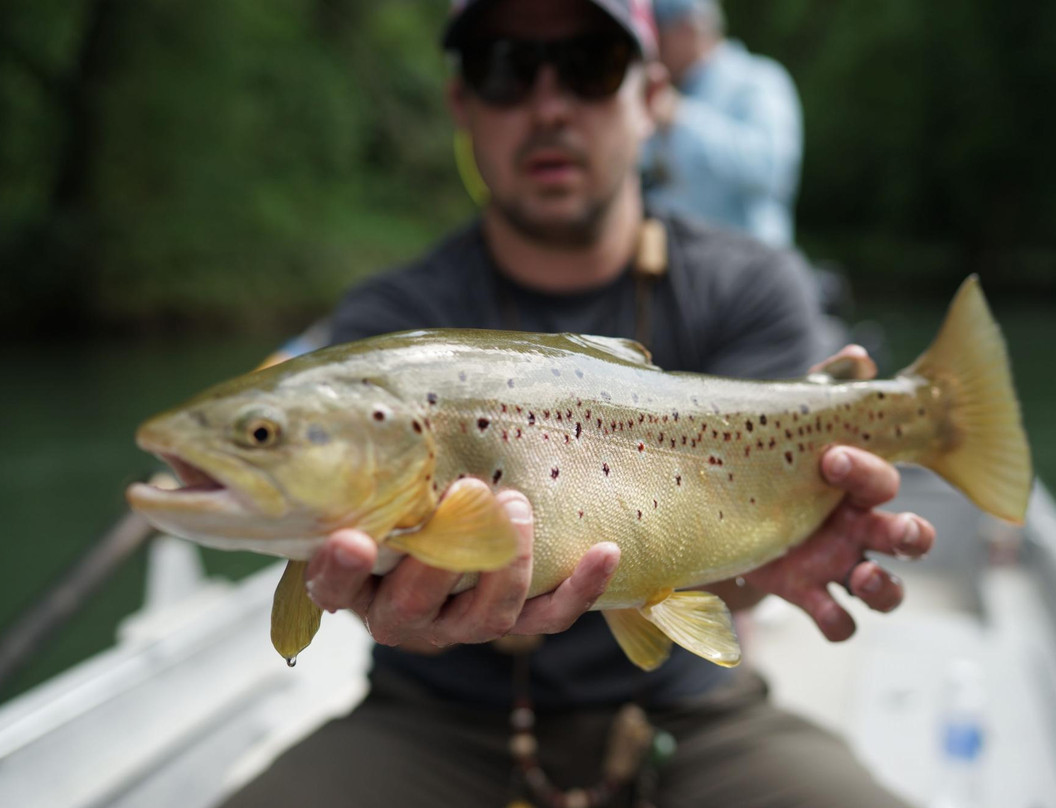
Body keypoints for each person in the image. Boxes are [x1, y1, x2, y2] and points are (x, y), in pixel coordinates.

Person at [222, 1, 932, 805]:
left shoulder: (753, 287)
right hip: (433, 717)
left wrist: (768, 556)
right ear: (463, 105)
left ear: (651, 96)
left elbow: (747, 543)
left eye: (590, 65)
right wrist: (362, 597)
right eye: (506, 69)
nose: (549, 105)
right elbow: (328, 515)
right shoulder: (393, 325)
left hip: (691, 713)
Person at [642, 0, 803, 247]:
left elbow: (770, 169)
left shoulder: (760, 80)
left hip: (750, 272)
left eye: (658, 36)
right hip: (679, 271)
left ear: (688, 29)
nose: (652, 50)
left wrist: (681, 119)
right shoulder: (666, 95)